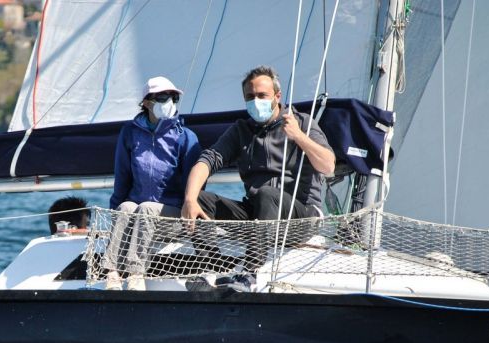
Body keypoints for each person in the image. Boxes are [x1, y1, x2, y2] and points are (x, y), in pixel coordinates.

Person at [181, 65, 335, 270]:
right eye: (250, 97)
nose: (256, 101)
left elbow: (328, 166)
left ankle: (251, 271)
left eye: (262, 95)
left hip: (300, 219)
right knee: (200, 199)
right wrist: (189, 199)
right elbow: (207, 160)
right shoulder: (241, 130)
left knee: (267, 194)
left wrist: (298, 136)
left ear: (277, 96)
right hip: (257, 216)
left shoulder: (303, 123)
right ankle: (212, 267)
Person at [102, 76, 201, 290]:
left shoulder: (186, 137)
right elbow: (122, 176)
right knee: (125, 207)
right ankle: (112, 273)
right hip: (138, 211)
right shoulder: (129, 133)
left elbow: (196, 185)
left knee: (147, 208)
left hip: (173, 214)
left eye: (173, 98)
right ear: (147, 103)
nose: (170, 102)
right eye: (163, 97)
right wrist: (113, 212)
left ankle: (136, 273)